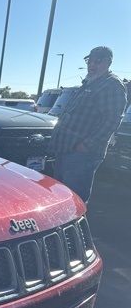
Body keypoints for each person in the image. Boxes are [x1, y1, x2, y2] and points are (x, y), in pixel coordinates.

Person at [48, 46, 127, 203]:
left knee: (74, 199)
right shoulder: (89, 82)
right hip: (65, 148)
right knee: (60, 196)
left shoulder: (112, 85)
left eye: (97, 61)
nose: (92, 65)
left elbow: (111, 121)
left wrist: (86, 145)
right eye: (89, 61)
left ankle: (75, 228)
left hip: (82, 154)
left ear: (108, 63)